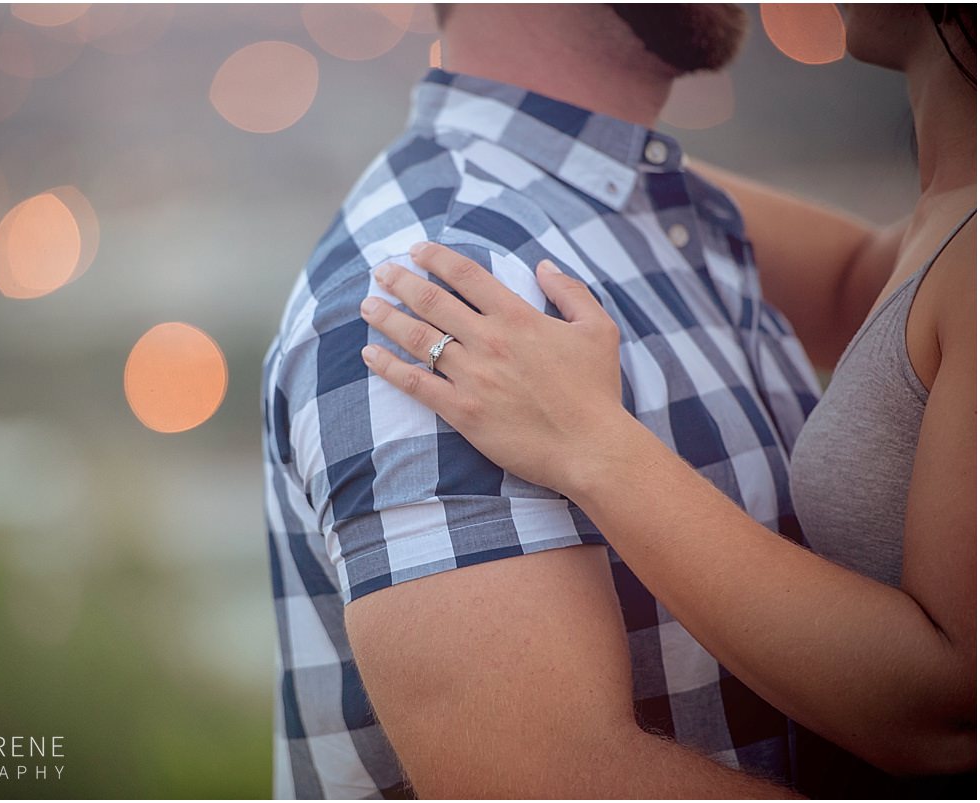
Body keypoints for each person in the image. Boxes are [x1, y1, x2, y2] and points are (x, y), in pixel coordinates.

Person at [358, 4, 976, 798]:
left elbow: (958, 714)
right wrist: (588, 163)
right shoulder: (945, 220)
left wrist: (593, 443)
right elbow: (860, 282)